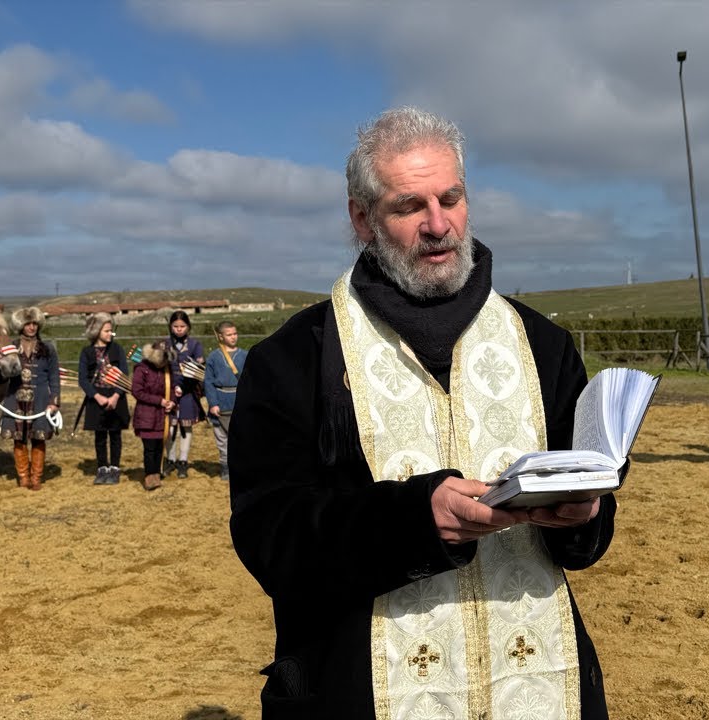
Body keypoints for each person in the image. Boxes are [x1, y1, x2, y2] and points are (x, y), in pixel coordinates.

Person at [230, 107, 617, 719]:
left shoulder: (544, 344)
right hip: (361, 689)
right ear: (362, 219)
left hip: (542, 685)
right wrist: (414, 520)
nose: (439, 225)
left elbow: (590, 531)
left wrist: (582, 516)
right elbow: (270, 538)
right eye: (409, 206)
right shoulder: (293, 359)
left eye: (451, 198)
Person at [0, 306, 60, 491]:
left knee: (38, 438)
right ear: (21, 326)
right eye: (27, 324)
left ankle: (36, 477)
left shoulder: (47, 349)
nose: (32, 327)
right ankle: (23, 476)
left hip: (40, 399)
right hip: (15, 398)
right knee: (19, 439)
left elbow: (54, 376)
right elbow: (1, 372)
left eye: (34, 323)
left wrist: (54, 401)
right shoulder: (11, 348)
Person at [78, 313, 131, 485]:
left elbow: (124, 374)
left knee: (115, 434)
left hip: (116, 397)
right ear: (96, 331)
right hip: (97, 398)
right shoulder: (86, 353)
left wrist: (116, 395)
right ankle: (102, 468)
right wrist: (97, 396)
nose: (111, 334)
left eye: (111, 330)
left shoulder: (118, 349)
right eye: (107, 331)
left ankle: (114, 468)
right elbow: (83, 379)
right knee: (100, 435)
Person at [203, 320, 247, 481]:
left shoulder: (245, 355)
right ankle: (225, 466)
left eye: (235, 333)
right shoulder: (214, 357)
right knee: (222, 439)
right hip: (220, 403)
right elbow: (208, 381)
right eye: (229, 334)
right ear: (220, 336)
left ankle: (241, 467)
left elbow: (250, 380)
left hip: (239, 401)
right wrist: (213, 403)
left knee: (242, 438)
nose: (233, 337)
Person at [164, 310, 206, 479]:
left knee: (185, 426)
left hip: (188, 392)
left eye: (182, 326)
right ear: (170, 327)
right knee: (170, 427)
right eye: (175, 326)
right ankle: (170, 459)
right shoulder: (164, 344)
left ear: (188, 327)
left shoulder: (195, 345)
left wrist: (184, 386)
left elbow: (198, 370)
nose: (179, 329)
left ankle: (183, 460)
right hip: (168, 391)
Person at [130, 340, 176, 491]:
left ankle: (157, 472)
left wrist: (172, 402)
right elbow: (137, 392)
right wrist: (160, 401)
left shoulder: (167, 370)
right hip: (146, 415)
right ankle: (150, 475)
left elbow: (172, 388)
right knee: (149, 448)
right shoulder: (141, 369)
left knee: (159, 446)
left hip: (163, 416)